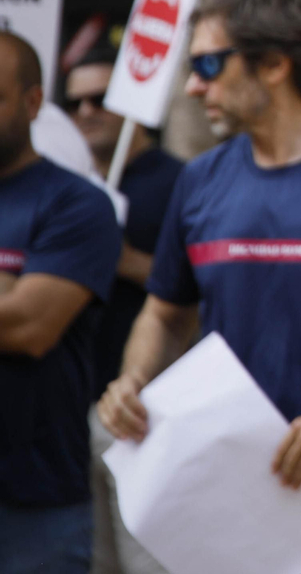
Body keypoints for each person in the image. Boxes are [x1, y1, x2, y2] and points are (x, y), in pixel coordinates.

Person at [98, 0, 301, 512]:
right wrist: (134, 381)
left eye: (209, 65)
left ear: (275, 65)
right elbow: (166, 315)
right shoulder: (199, 180)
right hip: (231, 493)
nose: (193, 86)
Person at [0, 32, 122, 574]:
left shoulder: (77, 204)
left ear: (31, 103)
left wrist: (18, 300)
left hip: (35, 502)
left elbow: (28, 326)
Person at [65, 44, 184, 574]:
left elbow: (186, 292)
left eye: (99, 98)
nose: (86, 112)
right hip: (75, 408)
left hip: (145, 411)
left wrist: (109, 250)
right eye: (76, 103)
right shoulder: (70, 185)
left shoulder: (180, 180)